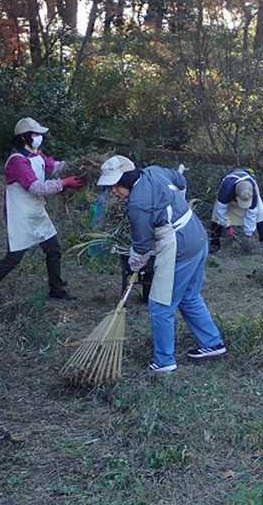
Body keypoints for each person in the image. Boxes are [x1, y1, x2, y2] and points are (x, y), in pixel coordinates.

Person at [98, 155, 227, 373]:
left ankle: (164, 361)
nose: (114, 191)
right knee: (188, 296)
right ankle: (212, 343)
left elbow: (141, 243)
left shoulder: (137, 204)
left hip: (180, 246)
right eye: (110, 186)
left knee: (160, 305)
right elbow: (180, 181)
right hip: (197, 236)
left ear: (127, 179)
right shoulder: (154, 171)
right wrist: (177, 202)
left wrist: (135, 263)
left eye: (116, 185)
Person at [0, 118, 83, 309]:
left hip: (36, 210)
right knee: (13, 257)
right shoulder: (17, 161)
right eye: (35, 134)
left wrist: (80, 164)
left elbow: (53, 166)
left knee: (53, 249)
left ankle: (56, 289)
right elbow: (36, 187)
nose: (39, 137)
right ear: (23, 137)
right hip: (19, 213)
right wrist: (64, 183)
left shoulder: (36, 154)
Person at [209, 168, 263, 251]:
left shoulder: (252, 191)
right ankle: (215, 245)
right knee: (217, 219)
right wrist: (228, 227)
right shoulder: (226, 189)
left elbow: (251, 213)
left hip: (247, 186)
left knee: (260, 215)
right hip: (229, 188)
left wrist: (248, 233)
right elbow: (220, 211)